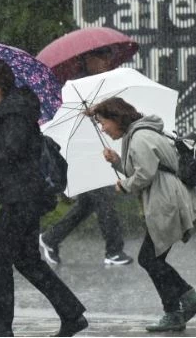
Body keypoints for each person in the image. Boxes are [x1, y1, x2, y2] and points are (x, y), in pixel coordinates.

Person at [0, 58, 88, 337]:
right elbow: (11, 144)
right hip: (23, 195)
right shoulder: (9, 110)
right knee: (26, 260)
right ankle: (71, 314)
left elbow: (13, 150)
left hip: (22, 197)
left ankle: (0, 328)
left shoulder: (15, 113)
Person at [90, 97, 196, 332]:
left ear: (116, 118)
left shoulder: (140, 137)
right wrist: (117, 161)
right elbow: (144, 167)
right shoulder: (139, 134)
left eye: (104, 123)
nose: (103, 128)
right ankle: (176, 309)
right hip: (166, 199)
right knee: (154, 259)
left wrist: (123, 185)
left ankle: (185, 301)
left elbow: (144, 175)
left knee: (149, 258)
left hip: (166, 202)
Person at [39, 47, 134, 266]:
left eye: (108, 56)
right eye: (102, 57)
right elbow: (66, 119)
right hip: (82, 155)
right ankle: (114, 250)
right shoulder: (76, 87)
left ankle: (51, 238)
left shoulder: (101, 83)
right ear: (89, 59)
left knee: (88, 204)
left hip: (94, 152)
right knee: (104, 198)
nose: (106, 61)